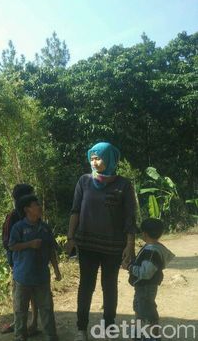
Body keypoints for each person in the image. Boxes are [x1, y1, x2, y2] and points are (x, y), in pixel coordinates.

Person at [64, 142, 138, 341]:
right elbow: (75, 211)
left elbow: (130, 218)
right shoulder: (84, 181)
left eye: (99, 158)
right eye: (92, 158)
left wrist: (130, 245)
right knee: (86, 286)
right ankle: (81, 329)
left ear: (111, 159)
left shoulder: (123, 185)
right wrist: (70, 237)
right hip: (87, 245)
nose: (95, 162)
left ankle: (109, 327)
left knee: (109, 286)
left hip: (113, 247)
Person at [9, 194, 61, 341]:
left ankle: (51, 335)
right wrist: (29, 244)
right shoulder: (18, 227)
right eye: (35, 205)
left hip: (41, 277)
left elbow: (51, 250)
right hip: (22, 277)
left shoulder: (45, 228)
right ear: (27, 209)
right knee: (20, 310)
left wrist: (56, 270)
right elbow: (12, 246)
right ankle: (20, 336)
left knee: (46, 308)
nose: (39, 207)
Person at [123, 218, 174, 340]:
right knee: (141, 307)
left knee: (147, 310)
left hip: (146, 286)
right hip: (143, 286)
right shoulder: (153, 247)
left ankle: (153, 336)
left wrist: (129, 267)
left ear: (144, 234)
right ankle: (141, 333)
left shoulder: (151, 251)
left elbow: (146, 273)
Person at [1, 184, 40, 336]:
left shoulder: (34, 215)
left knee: (31, 294)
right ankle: (21, 324)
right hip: (19, 265)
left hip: (32, 263)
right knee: (20, 295)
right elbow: (8, 243)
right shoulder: (13, 217)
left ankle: (33, 323)